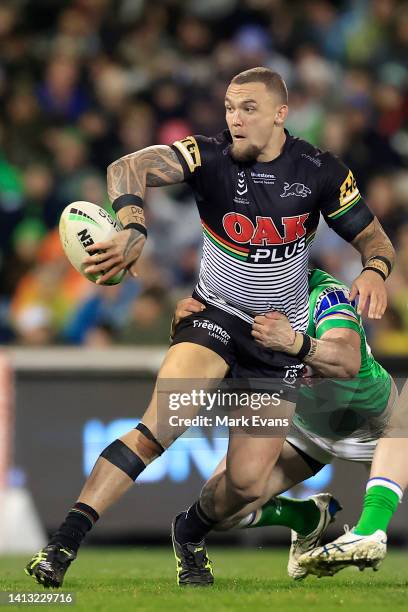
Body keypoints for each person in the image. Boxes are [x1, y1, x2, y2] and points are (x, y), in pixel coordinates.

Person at [25, 67, 395, 588]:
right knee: (158, 429)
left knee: (244, 485)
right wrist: (132, 224)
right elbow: (127, 166)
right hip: (214, 318)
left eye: (248, 109)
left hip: (276, 344)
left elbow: (375, 240)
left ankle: (190, 530)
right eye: (228, 107)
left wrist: (376, 271)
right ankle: (62, 545)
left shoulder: (320, 170)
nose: (235, 119)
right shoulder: (208, 156)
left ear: (280, 114)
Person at [173, 268, 401, 580]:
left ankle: (369, 529)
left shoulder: (325, 294)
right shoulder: (231, 301)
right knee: (221, 510)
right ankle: (305, 516)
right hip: (304, 430)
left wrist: (295, 342)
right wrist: (185, 331)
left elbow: (347, 359)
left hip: (375, 424)